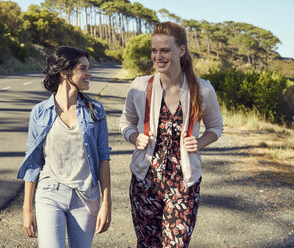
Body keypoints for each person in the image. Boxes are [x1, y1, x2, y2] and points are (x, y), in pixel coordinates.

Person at [120, 22, 223, 247]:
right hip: (145, 181)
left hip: (184, 183)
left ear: (181, 51)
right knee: (147, 244)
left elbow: (216, 128)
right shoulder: (139, 86)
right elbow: (126, 123)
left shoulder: (202, 89)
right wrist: (133, 137)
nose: (158, 56)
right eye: (154, 50)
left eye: (165, 50)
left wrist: (200, 142)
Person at [17, 46, 112, 248]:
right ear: (64, 72)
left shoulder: (96, 111)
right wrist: (27, 209)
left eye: (89, 68)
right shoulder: (40, 112)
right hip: (50, 191)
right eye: (83, 68)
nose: (89, 73)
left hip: (85, 196)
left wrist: (106, 203)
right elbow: (33, 161)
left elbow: (104, 157)